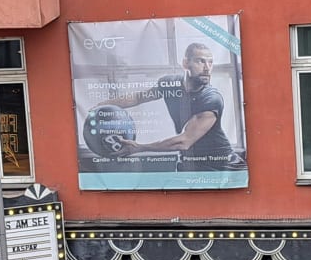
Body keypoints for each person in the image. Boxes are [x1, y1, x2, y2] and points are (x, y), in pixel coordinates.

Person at [99, 42, 241, 171]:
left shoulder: (212, 98)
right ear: (185, 63)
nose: (207, 68)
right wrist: (102, 106)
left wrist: (139, 147)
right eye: (200, 61)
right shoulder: (170, 83)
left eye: (210, 62)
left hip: (223, 166)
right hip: (189, 162)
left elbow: (184, 141)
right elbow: (138, 97)